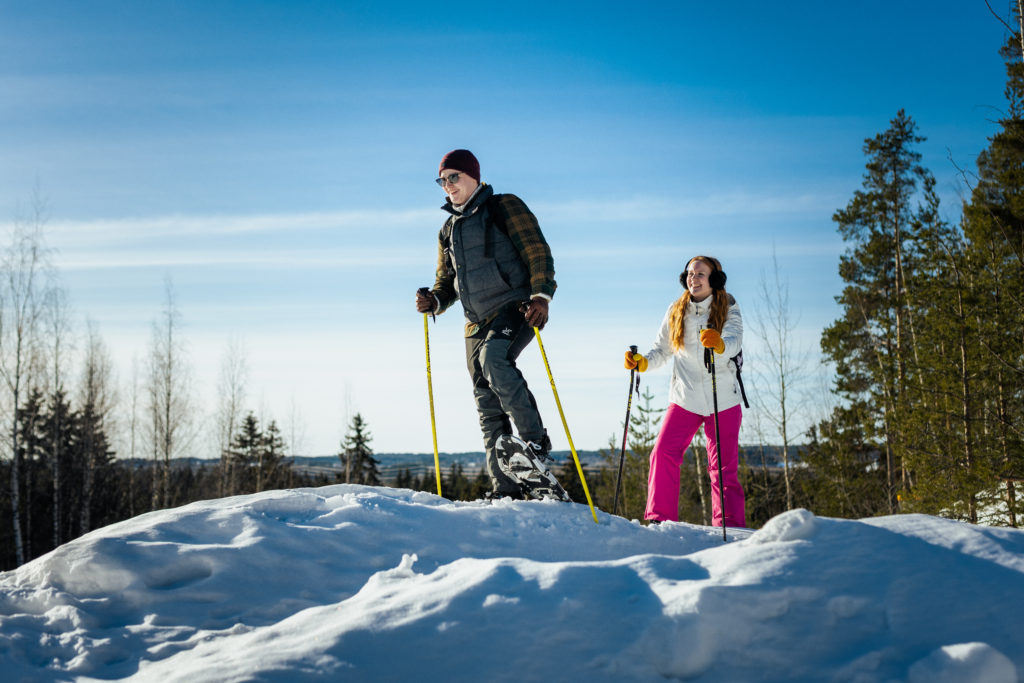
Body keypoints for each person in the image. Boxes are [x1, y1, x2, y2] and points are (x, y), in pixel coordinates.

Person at [416, 149, 556, 499]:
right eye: (443, 180)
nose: (448, 185)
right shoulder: (447, 230)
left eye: (454, 177)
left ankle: (535, 443)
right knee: (485, 399)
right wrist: (434, 301)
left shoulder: (504, 206)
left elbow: (537, 251)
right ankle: (505, 487)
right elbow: (445, 284)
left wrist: (541, 296)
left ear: (473, 177)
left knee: (494, 360)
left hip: (515, 305)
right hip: (474, 321)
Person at [624, 255, 746, 526]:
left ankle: (730, 526)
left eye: (701, 274)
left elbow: (735, 339)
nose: (694, 278)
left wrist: (720, 344)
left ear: (715, 280)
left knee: (723, 470)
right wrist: (643, 362)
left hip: (722, 399)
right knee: (663, 452)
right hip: (685, 398)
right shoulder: (676, 309)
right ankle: (659, 519)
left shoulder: (728, 305)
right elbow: (662, 349)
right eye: (690, 273)